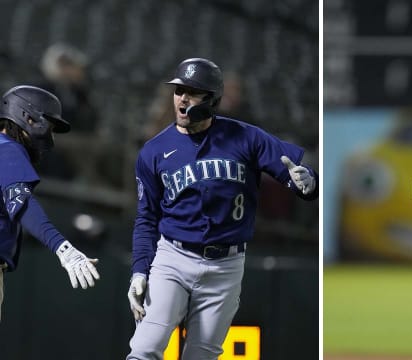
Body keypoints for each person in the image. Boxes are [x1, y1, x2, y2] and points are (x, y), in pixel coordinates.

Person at [126, 57, 318, 359]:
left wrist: (309, 182)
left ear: (212, 99)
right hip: (173, 258)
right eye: (179, 90)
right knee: (146, 346)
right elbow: (146, 219)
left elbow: (296, 174)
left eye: (193, 91)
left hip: (225, 264)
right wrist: (139, 270)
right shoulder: (154, 151)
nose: (183, 98)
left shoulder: (245, 136)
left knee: (202, 354)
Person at [0, 85, 101, 321]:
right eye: (49, 126)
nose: (50, 136)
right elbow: (22, 202)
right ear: (27, 116)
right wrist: (62, 248)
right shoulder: (8, 149)